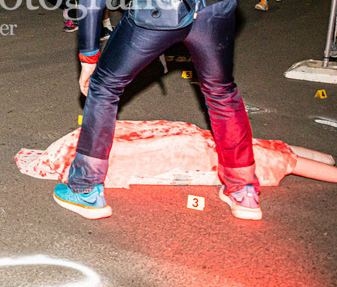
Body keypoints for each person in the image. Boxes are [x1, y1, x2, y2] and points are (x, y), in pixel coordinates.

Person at [53, 0, 260, 221]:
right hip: (216, 3)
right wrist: (211, 19)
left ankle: (85, 188)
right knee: (222, 93)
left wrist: (89, 57)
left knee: (105, 86)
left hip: (158, 6)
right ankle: (244, 191)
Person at [19, 120, 337, 187]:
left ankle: (318, 164)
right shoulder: (87, 139)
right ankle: (320, 162)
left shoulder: (88, 154)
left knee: (260, 156)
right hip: (176, 139)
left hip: (176, 147)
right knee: (247, 148)